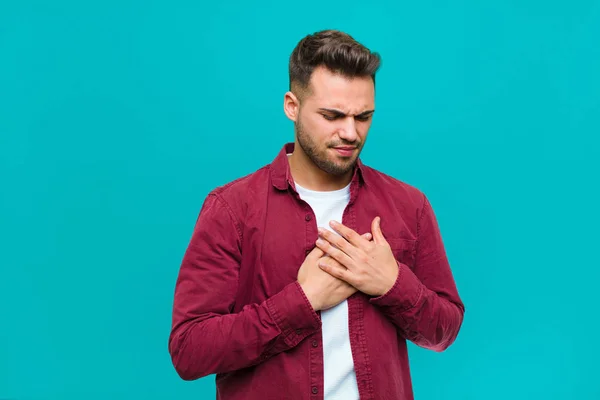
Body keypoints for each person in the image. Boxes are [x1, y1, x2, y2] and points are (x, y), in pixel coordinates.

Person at [168, 29, 465, 400]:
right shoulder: (232, 209)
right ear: (292, 105)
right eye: (332, 115)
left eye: (364, 117)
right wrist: (302, 301)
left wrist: (392, 284)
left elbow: (444, 330)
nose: (350, 133)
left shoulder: (408, 205)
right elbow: (189, 350)